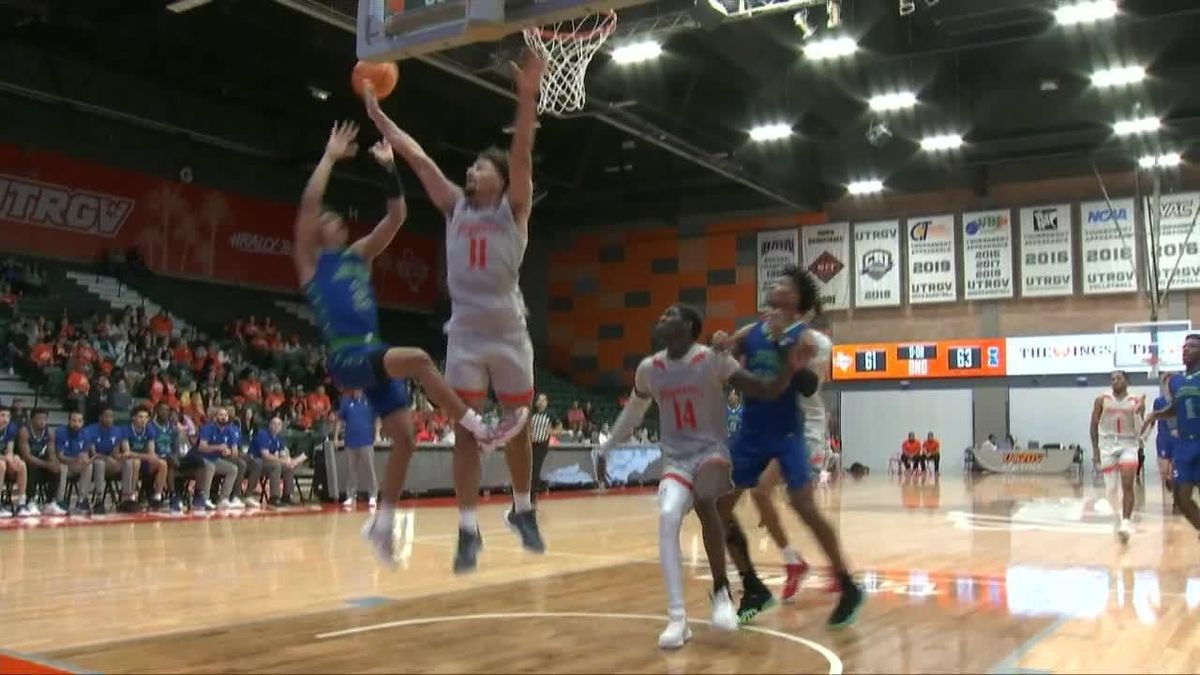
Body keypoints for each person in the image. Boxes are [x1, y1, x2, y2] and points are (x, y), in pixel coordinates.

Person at [294, 99, 525, 566]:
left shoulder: (358, 255)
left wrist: (388, 169)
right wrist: (328, 158)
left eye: (336, 218)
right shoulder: (311, 264)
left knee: (404, 438)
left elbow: (396, 216)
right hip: (346, 356)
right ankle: (477, 427)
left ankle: (382, 523)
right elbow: (308, 204)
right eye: (326, 221)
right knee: (420, 358)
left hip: (372, 352)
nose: (331, 221)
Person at [366, 53, 547, 573]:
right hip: (466, 331)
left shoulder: (514, 209)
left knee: (518, 423)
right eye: (470, 166)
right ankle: (468, 529)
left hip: (510, 331)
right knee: (466, 432)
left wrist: (526, 97)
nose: (471, 170)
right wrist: (381, 118)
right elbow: (419, 157)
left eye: (479, 166)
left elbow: (522, 157)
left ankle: (523, 507)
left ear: (497, 178)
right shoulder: (453, 205)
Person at [595, 304, 800, 649]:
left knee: (707, 498)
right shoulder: (650, 369)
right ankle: (678, 619)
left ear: (689, 326)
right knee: (667, 515)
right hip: (676, 460)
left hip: (712, 453)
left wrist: (786, 367)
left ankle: (721, 593)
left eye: (670, 313)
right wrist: (606, 447)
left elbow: (760, 388)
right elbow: (633, 412)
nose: (662, 317)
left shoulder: (712, 359)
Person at [716, 266, 864, 628]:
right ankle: (753, 586)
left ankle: (847, 584)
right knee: (717, 509)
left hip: (786, 433)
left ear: (798, 299)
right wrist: (720, 344)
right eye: (776, 282)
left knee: (804, 505)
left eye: (784, 284)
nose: (775, 286)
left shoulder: (806, 338)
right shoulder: (751, 331)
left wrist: (786, 346)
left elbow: (809, 385)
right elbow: (722, 355)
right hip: (750, 432)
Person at [1142, 335, 1200, 537]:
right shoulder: (1177, 381)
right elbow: (1177, 407)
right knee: (1181, 498)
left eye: (1192, 347)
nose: (1186, 350)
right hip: (1184, 445)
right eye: (1184, 347)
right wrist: (1156, 415)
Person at [1090, 370, 1145, 544]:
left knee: (1128, 483)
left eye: (1118, 378)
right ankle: (1117, 514)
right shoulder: (1101, 400)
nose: (1115, 381)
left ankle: (1126, 522)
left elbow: (1140, 426)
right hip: (1107, 445)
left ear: (1127, 381)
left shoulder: (1135, 400)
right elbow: (1093, 426)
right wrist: (1095, 451)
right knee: (1111, 490)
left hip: (1128, 443)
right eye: (1112, 379)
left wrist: (1140, 411)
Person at [338, 389, 379, 510]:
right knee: (351, 470)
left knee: (369, 469)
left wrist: (377, 433)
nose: (356, 391)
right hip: (350, 441)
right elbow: (340, 420)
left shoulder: (370, 402)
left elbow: (377, 418)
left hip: (366, 440)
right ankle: (351, 495)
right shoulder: (346, 402)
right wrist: (336, 437)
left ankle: (373, 495)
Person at [18, 409, 61, 515]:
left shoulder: (49, 432)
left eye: (45, 419)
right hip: (27, 466)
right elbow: (26, 456)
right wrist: (47, 465)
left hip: (42, 465)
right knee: (31, 466)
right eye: (39, 418)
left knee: (57, 469)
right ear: (32, 419)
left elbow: (51, 452)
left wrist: (53, 463)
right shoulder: (25, 431)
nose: (42, 421)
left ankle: (50, 503)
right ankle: (30, 501)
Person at [0, 407, 33, 517]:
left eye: (8, 416)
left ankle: (21, 503)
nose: (5, 419)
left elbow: (9, 450)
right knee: (1, 465)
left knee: (21, 465)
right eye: (2, 415)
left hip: (3, 460)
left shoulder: (10, 429)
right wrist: (6, 458)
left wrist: (14, 457)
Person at [1151, 372, 1177, 496]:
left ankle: (1176, 498)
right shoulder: (1159, 401)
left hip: (1177, 438)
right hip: (1163, 437)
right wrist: (1145, 434)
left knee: (1175, 470)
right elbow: (1153, 418)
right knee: (1165, 471)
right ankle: (1169, 484)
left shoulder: (1180, 399)